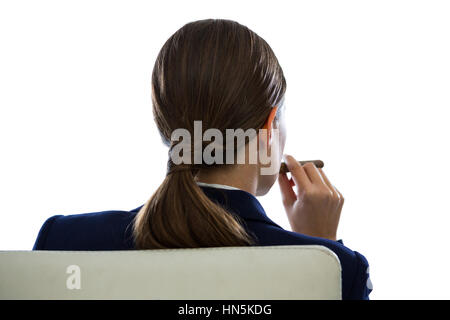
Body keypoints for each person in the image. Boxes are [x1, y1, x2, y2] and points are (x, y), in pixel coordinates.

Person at [33, 19, 372, 299]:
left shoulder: (64, 241)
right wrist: (321, 255)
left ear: (165, 125)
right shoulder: (338, 269)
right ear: (270, 127)